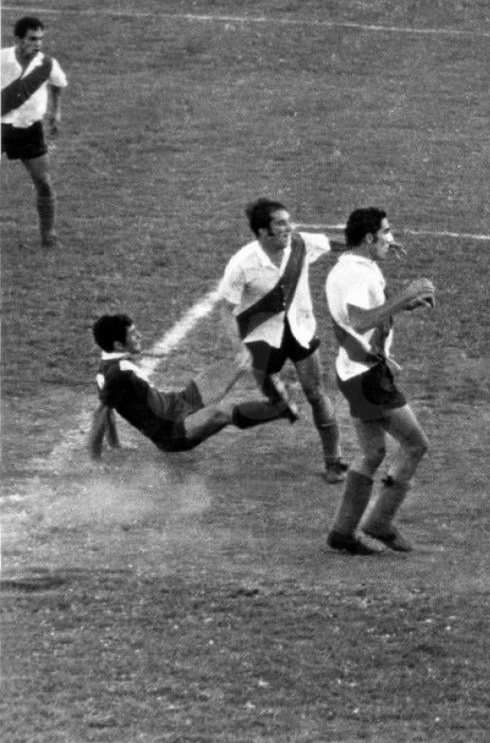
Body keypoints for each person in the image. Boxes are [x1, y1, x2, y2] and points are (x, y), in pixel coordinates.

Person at [323, 207, 437, 555]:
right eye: (386, 232)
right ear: (369, 238)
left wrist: (404, 307)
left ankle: (342, 532)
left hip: (356, 370)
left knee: (372, 453)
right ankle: (379, 521)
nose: (392, 238)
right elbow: (359, 321)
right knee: (416, 445)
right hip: (369, 379)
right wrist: (405, 295)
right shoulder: (359, 275)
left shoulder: (351, 265)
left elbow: (362, 321)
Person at [219, 198, 348, 484]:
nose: (288, 227)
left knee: (315, 393)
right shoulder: (242, 264)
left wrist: (366, 247)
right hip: (261, 335)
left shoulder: (300, 244)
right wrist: (239, 347)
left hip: (299, 329)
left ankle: (334, 460)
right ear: (263, 232)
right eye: (280, 223)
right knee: (272, 395)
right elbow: (225, 309)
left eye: (288, 221)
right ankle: (280, 400)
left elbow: (332, 242)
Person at [87, 314, 297, 459]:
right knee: (221, 411)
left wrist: (114, 445)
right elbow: (101, 414)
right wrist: (95, 460)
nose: (139, 336)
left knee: (241, 358)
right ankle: (280, 410)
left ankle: (276, 398)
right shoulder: (117, 374)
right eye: (133, 334)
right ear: (117, 344)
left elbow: (109, 408)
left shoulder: (106, 368)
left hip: (179, 402)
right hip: (172, 431)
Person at [1, 16, 67, 248]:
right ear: (19, 39)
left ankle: (48, 235)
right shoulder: (2, 58)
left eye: (40, 39)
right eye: (32, 39)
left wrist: (56, 112)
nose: (37, 43)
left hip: (29, 128)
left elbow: (58, 84)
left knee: (43, 182)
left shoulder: (47, 64)